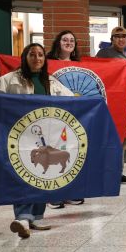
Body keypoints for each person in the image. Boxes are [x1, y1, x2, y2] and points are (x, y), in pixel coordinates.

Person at [0, 43, 74, 239]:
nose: (37, 58)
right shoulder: (12, 79)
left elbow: (71, 100)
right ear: (25, 58)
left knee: (42, 176)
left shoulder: (50, 81)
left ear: (45, 59)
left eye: (40, 55)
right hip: (21, 138)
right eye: (32, 55)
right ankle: (23, 217)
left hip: (45, 139)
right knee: (21, 175)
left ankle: (37, 216)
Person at [45, 30, 85, 208]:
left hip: (73, 115)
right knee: (51, 152)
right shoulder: (46, 62)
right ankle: (52, 194)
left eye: (72, 40)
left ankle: (70, 191)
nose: (69, 42)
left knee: (70, 152)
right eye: (65, 40)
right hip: (52, 115)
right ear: (58, 42)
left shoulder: (81, 64)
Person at [96, 26, 126, 183]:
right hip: (110, 104)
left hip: (123, 103)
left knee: (122, 140)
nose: (121, 39)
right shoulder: (104, 53)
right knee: (109, 139)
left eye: (124, 36)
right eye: (117, 36)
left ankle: (118, 171)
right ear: (111, 39)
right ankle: (106, 172)